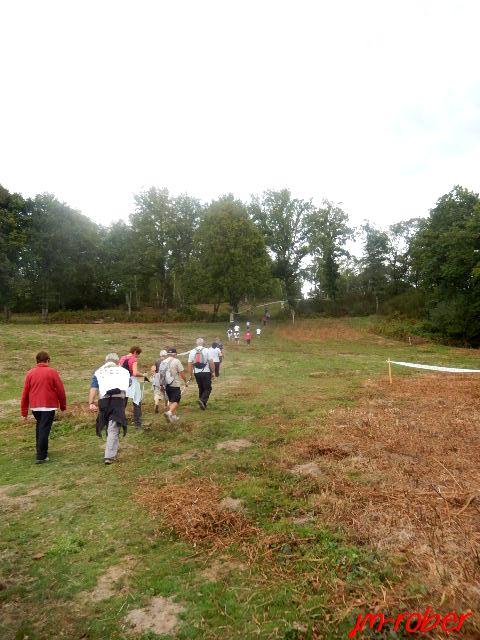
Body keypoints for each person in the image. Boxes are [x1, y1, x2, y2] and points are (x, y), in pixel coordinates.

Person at [20, 351, 67, 464]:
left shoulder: (30, 373)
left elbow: (25, 393)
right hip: (49, 406)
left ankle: (40, 450)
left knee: (40, 426)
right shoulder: (52, 372)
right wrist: (63, 406)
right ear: (48, 360)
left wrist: (24, 412)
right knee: (44, 429)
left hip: (35, 406)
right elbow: (60, 390)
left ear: (37, 361)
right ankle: (41, 456)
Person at [88, 353, 130, 464]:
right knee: (114, 427)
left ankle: (111, 448)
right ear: (117, 361)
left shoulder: (99, 371)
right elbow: (128, 385)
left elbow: (94, 388)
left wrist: (91, 402)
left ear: (105, 361)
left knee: (108, 424)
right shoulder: (123, 371)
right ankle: (109, 455)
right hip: (117, 401)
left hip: (104, 401)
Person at [119, 346, 147, 429]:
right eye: (138, 354)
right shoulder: (133, 359)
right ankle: (137, 424)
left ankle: (119, 422)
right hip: (132, 382)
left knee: (122, 404)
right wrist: (143, 375)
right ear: (135, 352)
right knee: (137, 401)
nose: (137, 356)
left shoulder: (122, 358)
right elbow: (134, 373)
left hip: (122, 382)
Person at [158, 347, 187, 423]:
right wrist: (185, 381)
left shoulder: (163, 362)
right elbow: (182, 373)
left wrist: (161, 385)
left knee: (171, 400)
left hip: (166, 385)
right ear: (174, 354)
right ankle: (169, 412)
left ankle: (173, 417)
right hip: (175, 384)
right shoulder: (176, 361)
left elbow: (160, 374)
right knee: (176, 401)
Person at [188, 338, 215, 410]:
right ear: (203, 343)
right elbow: (211, 362)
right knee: (208, 388)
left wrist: (190, 374)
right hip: (206, 371)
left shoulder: (192, 351)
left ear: (196, 343)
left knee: (201, 387)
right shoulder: (207, 350)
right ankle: (202, 400)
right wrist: (213, 372)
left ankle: (203, 405)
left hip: (196, 372)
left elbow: (190, 364)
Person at [151, 350, 168, 414]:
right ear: (166, 355)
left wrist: (154, 375)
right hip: (165, 377)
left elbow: (153, 369)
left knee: (157, 392)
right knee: (165, 392)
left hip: (157, 377)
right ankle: (166, 405)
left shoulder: (157, 361)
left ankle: (156, 403)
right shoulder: (168, 361)